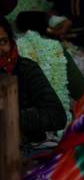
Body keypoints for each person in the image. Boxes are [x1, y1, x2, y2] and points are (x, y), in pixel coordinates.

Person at [1, 16, 67, 151]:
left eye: (3, 42)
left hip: (26, 147)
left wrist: (9, 116)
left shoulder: (26, 69)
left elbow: (56, 115)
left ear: (11, 42)